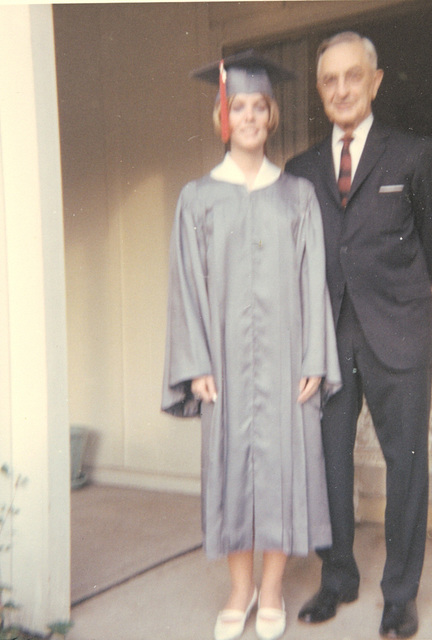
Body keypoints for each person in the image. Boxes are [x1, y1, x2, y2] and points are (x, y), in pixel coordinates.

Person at [162, 50, 342, 640]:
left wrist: (315, 354)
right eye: (236, 107)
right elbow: (186, 286)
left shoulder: (297, 196)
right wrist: (194, 364)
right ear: (223, 116)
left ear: (272, 116)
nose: (248, 117)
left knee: (286, 470)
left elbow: (313, 280)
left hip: (289, 358)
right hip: (224, 365)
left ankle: (270, 592)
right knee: (234, 473)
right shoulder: (197, 199)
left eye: (258, 107)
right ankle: (239, 589)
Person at [285, 32, 432, 638]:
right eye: (329, 80)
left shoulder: (412, 155)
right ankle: (338, 578)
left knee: (405, 464)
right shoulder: (299, 170)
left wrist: (396, 300)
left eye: (353, 76)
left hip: (399, 335)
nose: (341, 89)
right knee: (329, 462)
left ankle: (400, 593)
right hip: (328, 338)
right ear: (321, 89)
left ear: (375, 82)